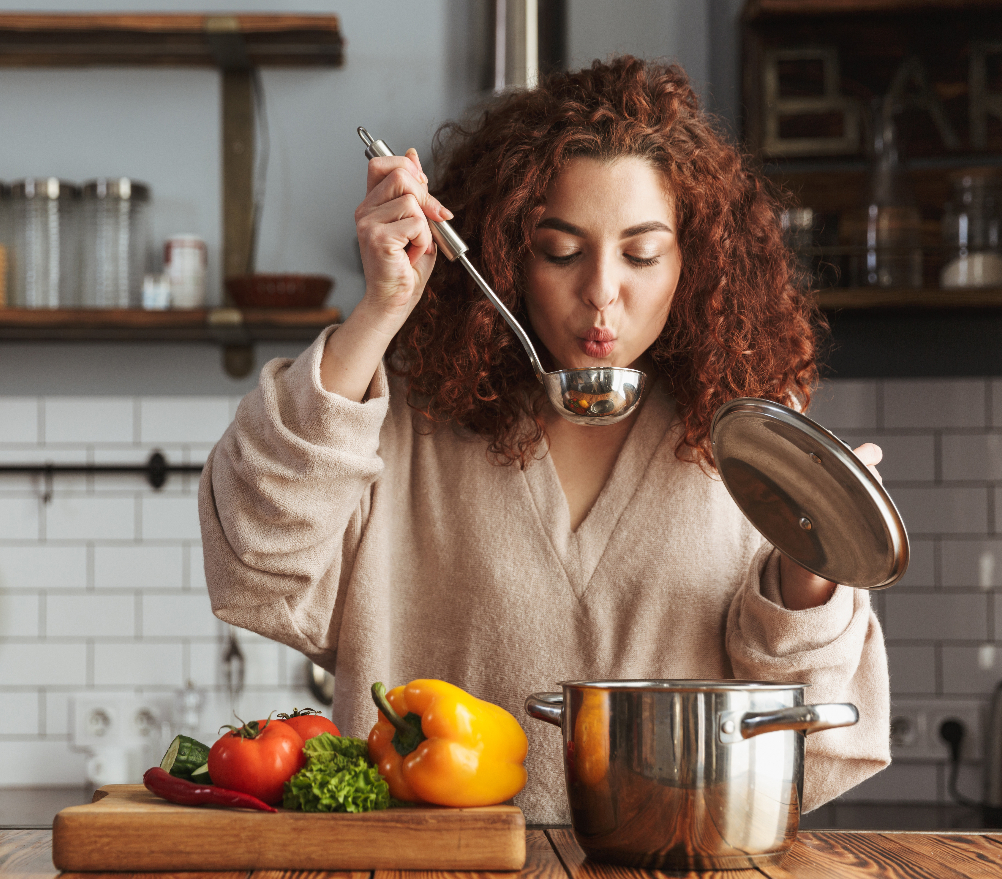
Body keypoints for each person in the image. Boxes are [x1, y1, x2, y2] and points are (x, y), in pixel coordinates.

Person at [199, 57, 889, 823]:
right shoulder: (403, 423)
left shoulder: (754, 441)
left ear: (693, 262)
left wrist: (812, 565)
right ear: (506, 255)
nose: (601, 289)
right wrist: (380, 312)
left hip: (672, 868)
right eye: (561, 250)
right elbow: (256, 561)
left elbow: (811, 721)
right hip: (432, 872)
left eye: (641, 253)